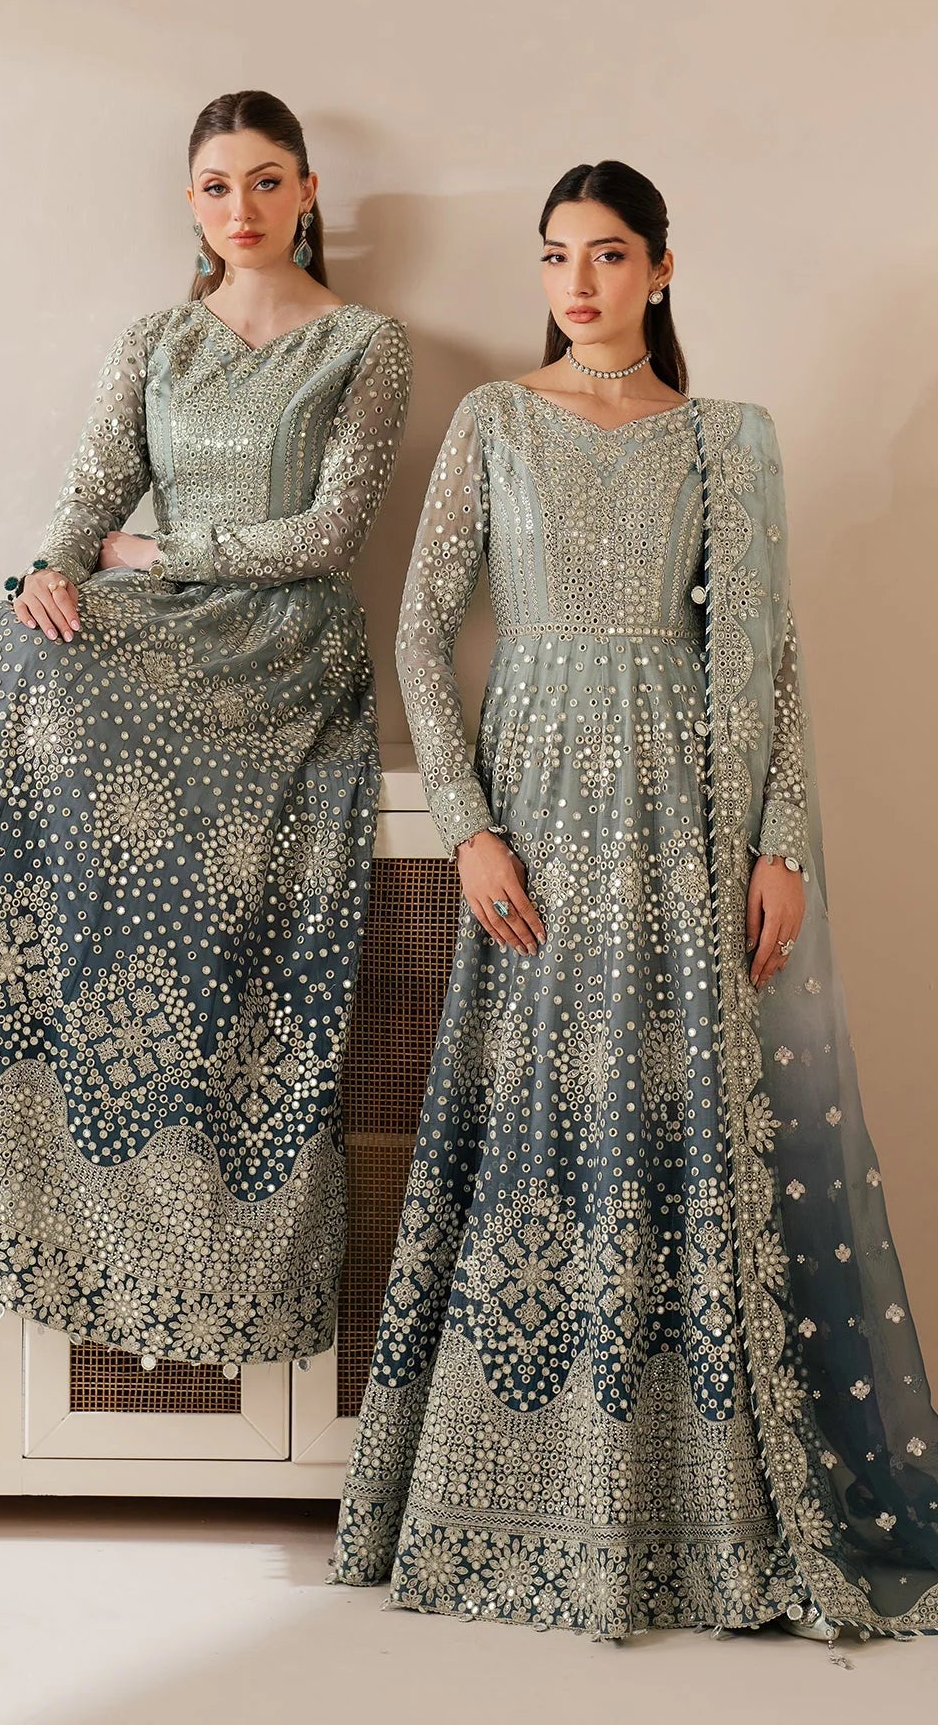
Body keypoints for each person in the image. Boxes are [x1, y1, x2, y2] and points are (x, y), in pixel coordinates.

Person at [330, 159, 938, 1642]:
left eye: (609, 257)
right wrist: (469, 827)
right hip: (534, 809)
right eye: (557, 258)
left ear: (663, 268)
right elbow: (418, 633)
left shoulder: (728, 442)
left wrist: (779, 841)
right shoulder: (493, 424)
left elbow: (769, 653)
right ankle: (516, 1501)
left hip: (685, 815)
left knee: (677, 1122)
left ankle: (692, 1512)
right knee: (537, 1116)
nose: (581, 285)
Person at [0, 89, 411, 1370]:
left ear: (310, 193)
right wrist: (51, 567)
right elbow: (90, 493)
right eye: (217, 187)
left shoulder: (366, 344)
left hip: (277, 645)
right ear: (192, 204)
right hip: (147, 608)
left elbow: (331, 536)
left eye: (267, 183)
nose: (243, 209)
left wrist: (161, 554)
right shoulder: (158, 338)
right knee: (8, 649)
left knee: (44, 687)